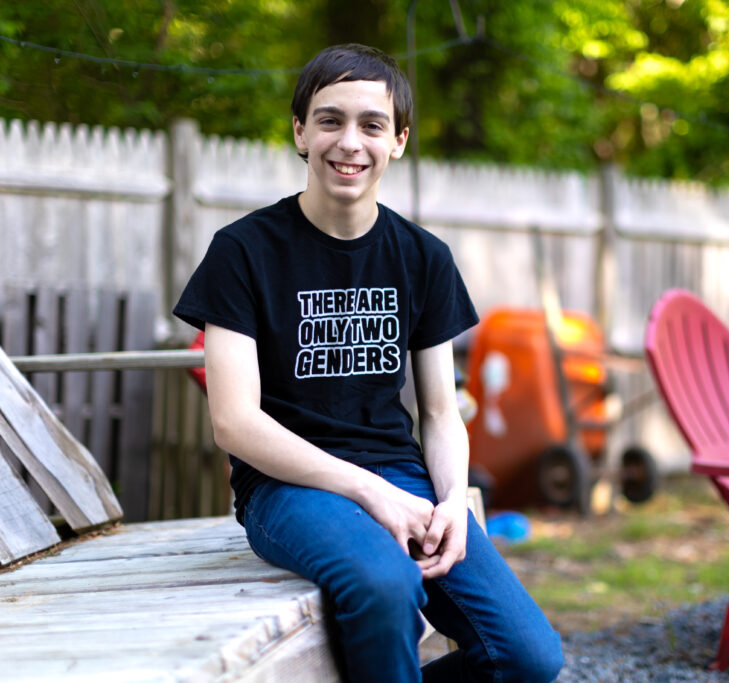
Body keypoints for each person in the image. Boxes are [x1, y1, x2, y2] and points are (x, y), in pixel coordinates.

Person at [173, 44, 563, 682]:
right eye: (329, 120)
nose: (348, 141)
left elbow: (440, 413)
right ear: (299, 130)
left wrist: (451, 505)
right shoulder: (242, 251)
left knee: (528, 658)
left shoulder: (422, 257)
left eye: (371, 125)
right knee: (385, 586)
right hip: (286, 488)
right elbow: (234, 424)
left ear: (399, 140)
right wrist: (368, 491)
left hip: (402, 477)